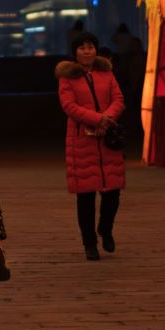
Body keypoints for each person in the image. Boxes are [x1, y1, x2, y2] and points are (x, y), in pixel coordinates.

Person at [56, 31, 125, 260]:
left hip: (107, 140)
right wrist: (98, 119)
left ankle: (105, 229)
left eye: (91, 47)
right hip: (81, 141)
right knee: (85, 197)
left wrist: (108, 117)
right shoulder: (67, 77)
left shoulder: (107, 73)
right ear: (75, 52)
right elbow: (69, 105)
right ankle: (89, 243)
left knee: (112, 193)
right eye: (82, 47)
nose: (87, 51)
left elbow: (118, 99)